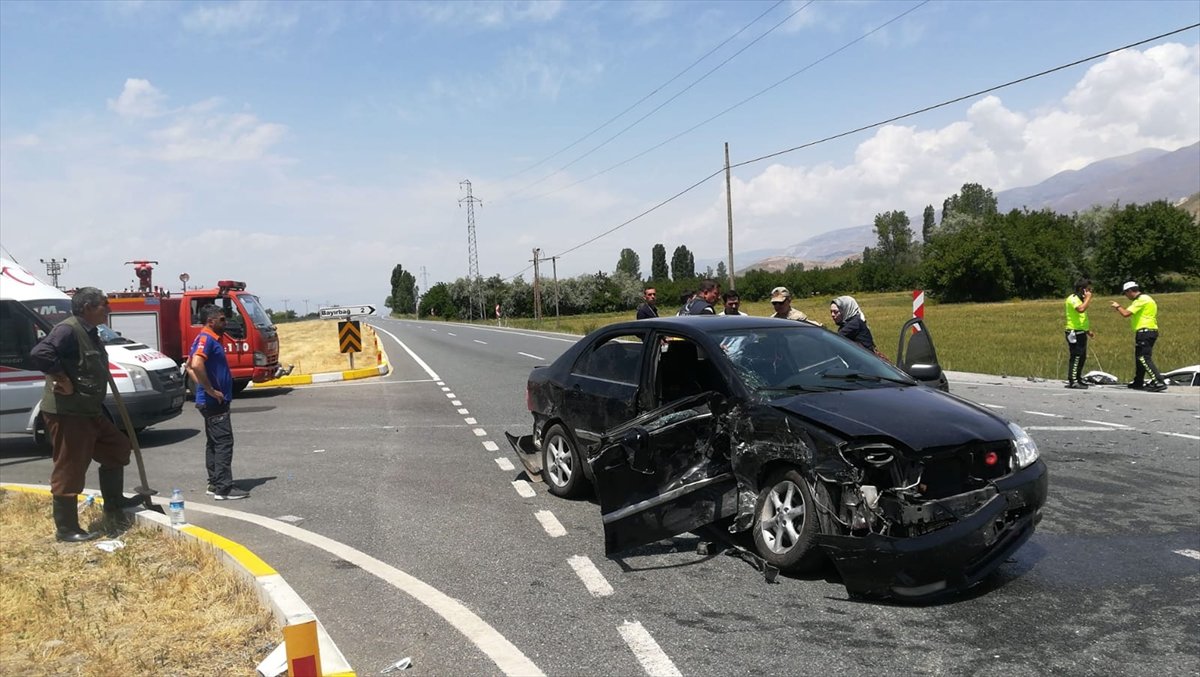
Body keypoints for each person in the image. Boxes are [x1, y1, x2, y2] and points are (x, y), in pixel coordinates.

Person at [28, 287, 147, 542]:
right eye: (104, 305)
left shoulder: (91, 332)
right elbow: (40, 353)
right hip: (68, 412)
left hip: (88, 410)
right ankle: (67, 528)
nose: (109, 309)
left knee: (117, 447)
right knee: (70, 467)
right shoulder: (68, 329)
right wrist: (62, 379)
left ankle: (114, 503)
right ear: (87, 308)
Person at [187, 304, 250, 499]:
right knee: (223, 442)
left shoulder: (208, 339)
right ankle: (224, 488)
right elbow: (195, 365)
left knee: (214, 442)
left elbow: (189, 366)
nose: (226, 323)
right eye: (222, 320)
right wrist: (210, 390)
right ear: (211, 321)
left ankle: (214, 483)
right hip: (214, 401)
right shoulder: (206, 339)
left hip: (211, 400)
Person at [1110, 281, 1167, 392]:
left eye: (1125, 293)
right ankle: (1138, 381)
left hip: (1145, 331)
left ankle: (1158, 381)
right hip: (1149, 330)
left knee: (1143, 357)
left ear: (1130, 291)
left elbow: (1126, 313)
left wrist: (1118, 307)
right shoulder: (1148, 298)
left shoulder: (1141, 300)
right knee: (1139, 357)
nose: (1126, 296)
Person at [1063, 278, 1094, 389]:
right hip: (1074, 332)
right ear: (1082, 289)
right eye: (1088, 289)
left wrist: (1087, 331)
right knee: (1076, 356)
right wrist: (1088, 299)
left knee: (1082, 357)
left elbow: (1081, 318)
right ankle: (1073, 380)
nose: (1089, 292)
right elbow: (1080, 310)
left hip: (1081, 331)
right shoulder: (1073, 298)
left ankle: (1078, 377)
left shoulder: (1081, 299)